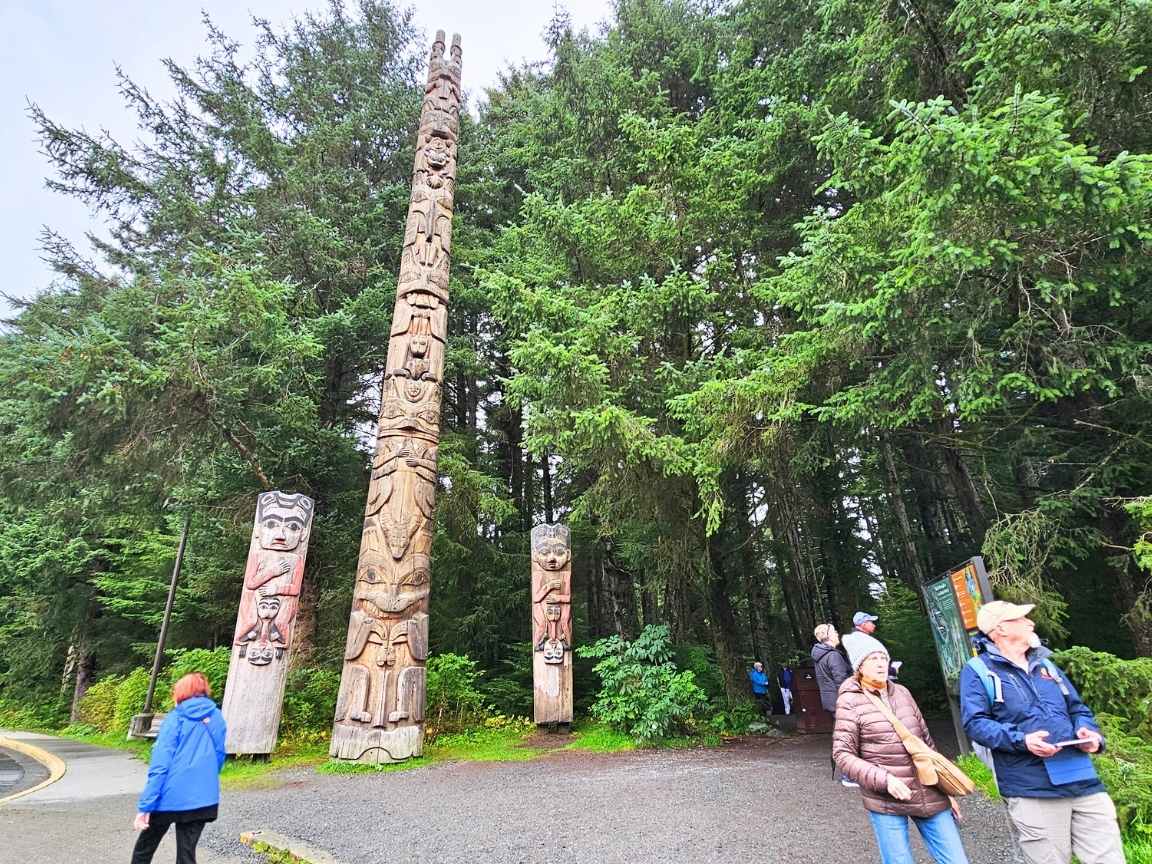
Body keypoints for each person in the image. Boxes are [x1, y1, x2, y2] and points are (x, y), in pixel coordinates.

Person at [959, 601, 1124, 864]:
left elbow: (1077, 708)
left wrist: (1088, 731)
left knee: (1110, 859)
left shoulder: (1045, 665)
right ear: (1001, 628)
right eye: (1022, 619)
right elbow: (976, 723)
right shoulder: (979, 671)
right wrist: (1022, 740)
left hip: (1083, 780)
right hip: (1032, 787)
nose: (1031, 623)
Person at [833, 634, 970, 864]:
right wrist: (884, 780)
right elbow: (842, 754)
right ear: (859, 667)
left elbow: (925, 743)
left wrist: (945, 790)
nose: (880, 663)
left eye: (883, 657)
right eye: (872, 659)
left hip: (928, 790)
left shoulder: (903, 693)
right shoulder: (850, 701)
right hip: (887, 797)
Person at [132, 672, 227, 864]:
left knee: (144, 850)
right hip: (202, 798)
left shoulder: (175, 718)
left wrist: (146, 806)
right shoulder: (216, 716)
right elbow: (218, 756)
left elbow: (161, 765)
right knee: (186, 855)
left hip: (169, 797)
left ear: (180, 692)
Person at [812, 623, 856, 786]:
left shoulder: (820, 654)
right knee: (849, 737)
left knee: (844, 736)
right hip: (841, 701)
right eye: (835, 632)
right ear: (828, 636)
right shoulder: (833, 655)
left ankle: (850, 773)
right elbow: (841, 680)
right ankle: (849, 775)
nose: (838, 634)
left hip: (830, 701)